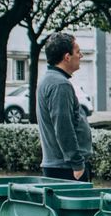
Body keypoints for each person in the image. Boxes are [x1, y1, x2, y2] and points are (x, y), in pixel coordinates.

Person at [37, 33, 92, 182]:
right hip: (66, 168)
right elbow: (63, 127)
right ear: (67, 57)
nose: (81, 55)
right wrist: (77, 165)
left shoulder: (50, 80)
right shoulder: (60, 84)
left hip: (59, 166)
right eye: (78, 52)